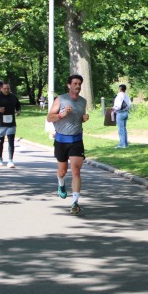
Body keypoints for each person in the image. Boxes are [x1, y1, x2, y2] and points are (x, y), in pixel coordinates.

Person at [46, 74, 90, 215]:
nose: (78, 86)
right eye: (75, 83)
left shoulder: (83, 101)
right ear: (69, 85)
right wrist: (61, 115)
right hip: (61, 141)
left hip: (76, 140)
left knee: (76, 171)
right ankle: (61, 183)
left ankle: (75, 202)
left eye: (79, 84)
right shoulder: (61, 99)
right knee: (62, 171)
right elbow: (49, 117)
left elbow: (78, 119)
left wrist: (83, 118)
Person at [0, 81, 21, 168]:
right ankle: (0, 159)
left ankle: (10, 160)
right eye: (5, 88)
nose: (6, 90)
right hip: (0, 124)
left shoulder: (13, 97)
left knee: (11, 141)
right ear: (1, 89)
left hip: (11, 123)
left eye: (8, 88)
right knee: (0, 141)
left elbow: (18, 104)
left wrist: (18, 110)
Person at [113, 84, 131, 148]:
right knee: (124, 128)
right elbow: (129, 105)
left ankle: (122, 144)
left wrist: (114, 108)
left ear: (120, 88)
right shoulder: (126, 96)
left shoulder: (119, 96)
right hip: (126, 112)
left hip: (120, 113)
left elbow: (118, 106)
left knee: (121, 129)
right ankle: (126, 143)